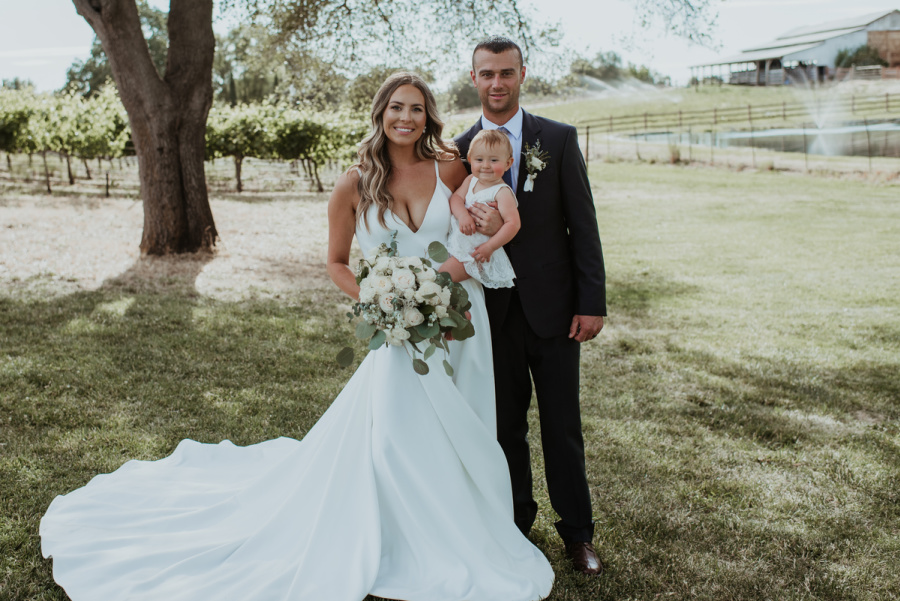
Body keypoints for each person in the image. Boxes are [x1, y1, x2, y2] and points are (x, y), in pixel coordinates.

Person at [39, 72, 554, 601]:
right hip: (397, 329)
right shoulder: (355, 182)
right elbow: (335, 263)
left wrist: (461, 261)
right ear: (379, 113)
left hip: (460, 324)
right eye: (396, 107)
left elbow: (486, 232)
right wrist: (381, 305)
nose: (407, 118)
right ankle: (401, 538)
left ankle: (461, 528)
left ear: (429, 116)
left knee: (462, 427)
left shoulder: (452, 166)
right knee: (396, 433)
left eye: (417, 109)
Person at [454, 37, 608, 576]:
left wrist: (592, 302)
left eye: (506, 72)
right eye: (486, 73)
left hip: (557, 308)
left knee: (562, 423)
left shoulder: (558, 140)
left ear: (523, 74)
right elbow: (454, 225)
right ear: (473, 78)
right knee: (503, 427)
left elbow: (583, 226)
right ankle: (515, 527)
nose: (497, 82)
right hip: (491, 314)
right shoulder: (457, 149)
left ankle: (578, 535)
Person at [446, 128, 520, 288]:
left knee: (443, 277)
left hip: (477, 250)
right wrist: (463, 216)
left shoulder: (502, 192)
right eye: (479, 160)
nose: (486, 166)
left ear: (508, 163)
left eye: (494, 160)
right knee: (453, 285)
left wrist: (490, 246)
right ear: (471, 160)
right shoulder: (471, 179)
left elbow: (513, 224)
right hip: (459, 242)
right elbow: (456, 198)